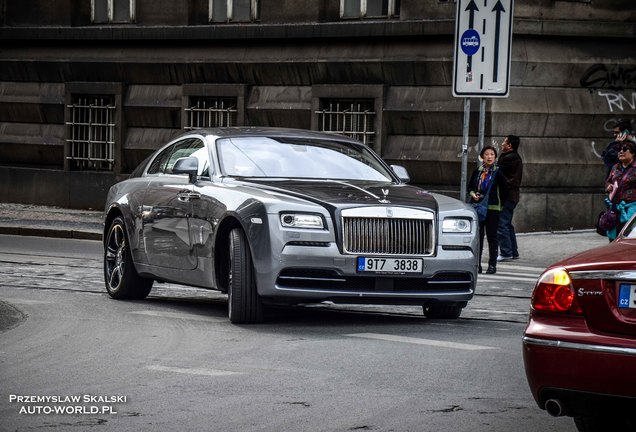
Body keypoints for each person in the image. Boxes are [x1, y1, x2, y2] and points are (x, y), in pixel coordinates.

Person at [468, 145, 507, 274]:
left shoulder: (498, 172)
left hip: (493, 208)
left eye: (492, 154)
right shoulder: (478, 171)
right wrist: (473, 194)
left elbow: (505, 189)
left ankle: (492, 265)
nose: (489, 157)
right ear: (482, 157)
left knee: (492, 237)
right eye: (486, 154)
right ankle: (477, 265)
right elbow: (470, 187)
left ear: (495, 157)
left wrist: (501, 205)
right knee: (478, 237)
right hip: (478, 208)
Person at [496, 135, 523, 262]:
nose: (502, 144)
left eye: (504, 142)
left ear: (509, 145)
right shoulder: (513, 157)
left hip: (508, 195)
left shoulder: (509, 158)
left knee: (502, 223)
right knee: (507, 224)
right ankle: (513, 251)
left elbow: (500, 175)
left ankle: (506, 252)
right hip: (512, 195)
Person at [605, 140, 636, 241]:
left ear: (633, 153)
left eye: (625, 149)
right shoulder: (615, 167)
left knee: (627, 237)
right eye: (619, 149)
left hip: (632, 209)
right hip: (616, 208)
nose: (621, 152)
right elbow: (608, 181)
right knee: (613, 237)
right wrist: (608, 186)